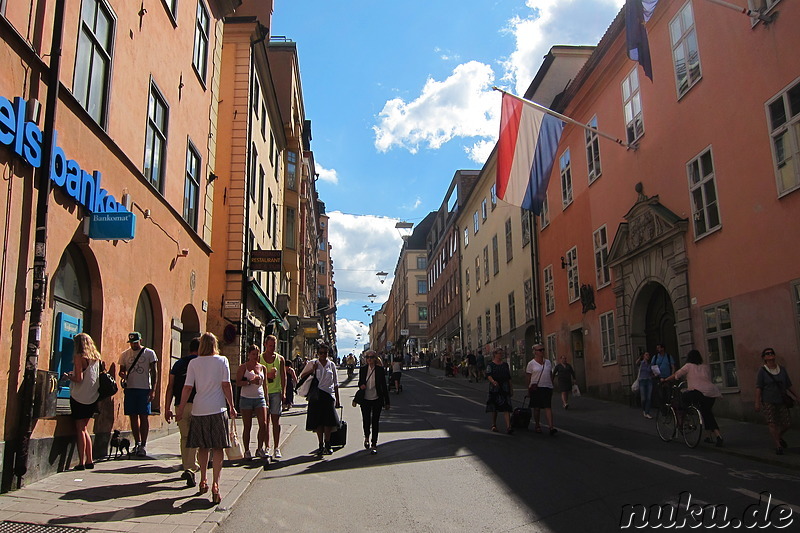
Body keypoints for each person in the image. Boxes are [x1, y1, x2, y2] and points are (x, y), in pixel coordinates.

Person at [177, 332, 236, 504]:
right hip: (218, 409)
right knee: (217, 449)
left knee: (202, 448)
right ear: (215, 345)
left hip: (199, 409)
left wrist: (181, 409)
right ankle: (216, 484)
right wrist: (232, 406)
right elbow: (226, 384)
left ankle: (203, 479)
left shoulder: (194, 363)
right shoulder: (222, 360)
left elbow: (187, 388)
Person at [663, 349, 723, 447]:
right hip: (712, 392)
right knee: (706, 412)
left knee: (683, 399)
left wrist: (665, 380)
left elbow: (676, 374)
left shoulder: (688, 366)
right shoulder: (705, 367)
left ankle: (686, 417)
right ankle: (712, 436)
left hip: (698, 392)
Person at [164, 337, 200, 486]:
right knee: (195, 438)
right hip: (198, 404)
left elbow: (170, 386)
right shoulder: (201, 363)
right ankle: (191, 468)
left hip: (180, 405)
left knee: (184, 437)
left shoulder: (178, 364)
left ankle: (187, 467)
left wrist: (167, 407)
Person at [63, 333, 101, 470]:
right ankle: (90, 460)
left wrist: (68, 376)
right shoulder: (96, 358)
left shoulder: (79, 356)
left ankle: (81, 462)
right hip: (92, 397)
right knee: (85, 429)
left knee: (80, 430)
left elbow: (78, 379)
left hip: (79, 397)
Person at [119, 332, 159, 457]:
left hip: (144, 388)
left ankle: (143, 444)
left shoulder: (149, 353)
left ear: (140, 340)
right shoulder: (125, 354)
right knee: (132, 416)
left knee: (144, 416)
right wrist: (122, 375)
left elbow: (154, 371)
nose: (133, 345)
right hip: (130, 388)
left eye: (136, 342)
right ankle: (137, 442)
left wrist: (153, 390)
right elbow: (122, 370)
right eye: (131, 343)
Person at [299, 343, 341, 455]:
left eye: (325, 353)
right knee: (318, 422)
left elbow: (335, 383)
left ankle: (328, 443)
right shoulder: (313, 363)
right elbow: (302, 376)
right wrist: (312, 370)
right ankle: (320, 444)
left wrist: (337, 399)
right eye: (321, 353)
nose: (323, 355)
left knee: (328, 422)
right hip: (316, 395)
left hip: (328, 395)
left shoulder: (331, 365)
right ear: (317, 353)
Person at [755, 348, 799, 455]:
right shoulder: (762, 371)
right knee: (772, 423)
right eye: (767, 354)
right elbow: (759, 387)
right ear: (764, 357)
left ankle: (778, 436)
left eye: (772, 353)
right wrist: (757, 402)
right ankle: (778, 446)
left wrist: (797, 396)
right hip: (768, 400)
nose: (770, 355)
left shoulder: (782, 369)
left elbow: (788, 385)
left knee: (787, 423)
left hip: (781, 400)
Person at [236, 344, 267, 459]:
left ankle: (259, 448)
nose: (255, 356)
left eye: (257, 354)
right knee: (247, 426)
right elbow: (238, 382)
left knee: (263, 424)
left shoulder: (262, 367)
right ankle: (247, 450)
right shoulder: (243, 367)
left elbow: (265, 385)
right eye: (253, 354)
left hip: (259, 398)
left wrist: (266, 398)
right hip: (246, 398)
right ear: (249, 355)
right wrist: (250, 381)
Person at [259, 335, 287, 459]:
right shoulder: (260, 359)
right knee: (265, 422)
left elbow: (283, 376)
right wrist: (267, 376)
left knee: (276, 420)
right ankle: (267, 446)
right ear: (265, 345)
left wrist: (284, 391)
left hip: (276, 392)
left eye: (274, 346)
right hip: (263, 393)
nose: (272, 348)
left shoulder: (280, 359)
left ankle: (276, 447)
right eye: (270, 346)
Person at [357, 350, 391, 454]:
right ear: (365, 359)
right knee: (366, 420)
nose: (369, 359)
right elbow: (360, 382)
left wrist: (387, 402)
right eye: (368, 357)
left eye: (371, 357)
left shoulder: (380, 370)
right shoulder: (362, 369)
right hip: (365, 399)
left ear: (375, 359)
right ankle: (367, 437)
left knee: (375, 422)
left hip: (377, 399)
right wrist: (361, 385)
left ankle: (374, 444)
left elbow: (384, 387)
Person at [525, 344, 556, 435]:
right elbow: (528, 377)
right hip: (536, 388)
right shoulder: (531, 364)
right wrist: (528, 389)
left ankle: (551, 427)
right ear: (535, 352)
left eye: (543, 350)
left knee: (548, 407)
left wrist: (552, 385)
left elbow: (550, 374)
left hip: (547, 387)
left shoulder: (548, 362)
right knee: (537, 408)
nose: (542, 351)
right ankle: (537, 425)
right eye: (540, 350)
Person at [486, 348, 514, 434]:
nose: (501, 355)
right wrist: (493, 381)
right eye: (499, 353)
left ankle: (508, 427)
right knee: (495, 407)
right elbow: (488, 375)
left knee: (506, 407)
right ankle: (494, 424)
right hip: (495, 388)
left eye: (502, 353)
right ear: (495, 354)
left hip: (504, 387)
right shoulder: (490, 365)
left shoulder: (505, 365)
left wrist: (511, 388)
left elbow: (508, 377)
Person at [653, 343, 676, 408]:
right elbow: (653, 366)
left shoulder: (668, 356)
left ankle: (669, 408)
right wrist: (657, 376)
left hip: (668, 378)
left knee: (669, 394)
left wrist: (672, 375)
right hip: (659, 378)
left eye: (659, 348)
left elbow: (673, 366)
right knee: (661, 395)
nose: (657, 349)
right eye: (657, 348)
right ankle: (663, 409)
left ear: (662, 348)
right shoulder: (655, 357)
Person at [635, 352, 656, 419]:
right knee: (643, 398)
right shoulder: (641, 363)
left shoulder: (650, 364)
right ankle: (644, 410)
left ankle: (647, 412)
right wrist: (640, 358)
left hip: (649, 381)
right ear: (643, 356)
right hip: (642, 381)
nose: (648, 356)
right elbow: (636, 363)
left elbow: (653, 373)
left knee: (649, 398)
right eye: (646, 355)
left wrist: (655, 374)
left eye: (648, 355)